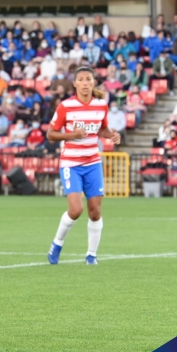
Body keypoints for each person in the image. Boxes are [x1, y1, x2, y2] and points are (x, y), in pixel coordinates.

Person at [46, 66, 121, 265]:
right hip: (71, 163)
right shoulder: (65, 106)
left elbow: (102, 129)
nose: (86, 83)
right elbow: (50, 134)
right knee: (76, 209)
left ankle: (91, 255)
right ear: (75, 83)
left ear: (93, 82)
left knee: (95, 211)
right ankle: (57, 243)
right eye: (82, 79)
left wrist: (112, 135)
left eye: (89, 79)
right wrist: (72, 135)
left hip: (92, 162)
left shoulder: (101, 105)